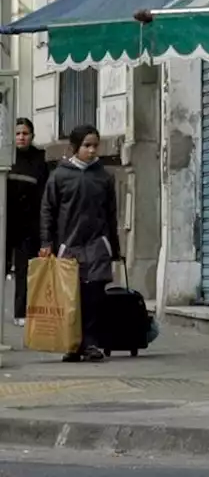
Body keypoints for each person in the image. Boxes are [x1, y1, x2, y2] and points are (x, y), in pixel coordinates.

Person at [39, 125, 121, 362]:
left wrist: (113, 248)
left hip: (97, 245)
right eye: (87, 145)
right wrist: (47, 242)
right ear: (74, 148)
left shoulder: (104, 176)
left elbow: (111, 214)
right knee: (72, 297)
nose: (92, 150)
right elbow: (48, 211)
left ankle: (91, 343)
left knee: (94, 294)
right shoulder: (60, 176)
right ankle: (73, 344)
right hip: (70, 245)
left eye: (95, 145)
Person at [7, 118, 48, 327]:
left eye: (25, 133)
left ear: (31, 136)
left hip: (27, 225)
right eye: (18, 133)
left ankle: (21, 312)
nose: (21, 137)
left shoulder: (39, 161)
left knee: (24, 270)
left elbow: (44, 196)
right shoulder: (5, 157)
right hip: (5, 222)